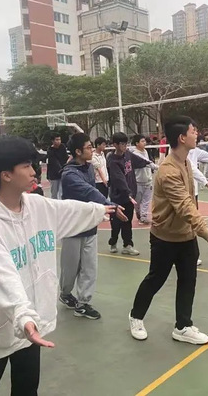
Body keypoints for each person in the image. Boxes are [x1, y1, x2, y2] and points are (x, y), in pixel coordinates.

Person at [0, 136, 114, 396]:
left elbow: (66, 210)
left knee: (27, 389)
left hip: (30, 323)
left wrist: (100, 210)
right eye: (27, 166)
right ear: (6, 175)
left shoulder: (36, 205)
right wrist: (23, 315)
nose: (34, 171)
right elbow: (3, 276)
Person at [129, 116, 208, 345]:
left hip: (186, 236)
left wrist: (207, 185)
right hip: (165, 238)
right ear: (182, 138)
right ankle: (136, 316)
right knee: (156, 279)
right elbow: (184, 205)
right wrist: (206, 232)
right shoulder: (168, 170)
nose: (197, 134)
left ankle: (182, 326)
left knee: (188, 280)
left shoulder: (186, 163)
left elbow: (189, 199)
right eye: (193, 131)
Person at [59, 133, 127, 320]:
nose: (92, 150)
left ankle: (83, 303)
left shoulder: (89, 167)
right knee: (70, 268)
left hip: (90, 225)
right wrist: (110, 206)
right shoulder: (69, 174)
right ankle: (65, 293)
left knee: (89, 267)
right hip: (72, 227)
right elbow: (89, 191)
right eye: (88, 147)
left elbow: (93, 192)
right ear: (78, 151)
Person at [106, 132, 152, 256]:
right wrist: (127, 193)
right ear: (115, 145)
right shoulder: (113, 160)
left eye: (125, 143)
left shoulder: (127, 154)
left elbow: (139, 160)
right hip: (118, 197)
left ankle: (127, 245)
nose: (124, 146)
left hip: (130, 196)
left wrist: (150, 164)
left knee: (127, 221)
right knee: (116, 223)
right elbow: (119, 179)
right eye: (121, 144)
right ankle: (113, 242)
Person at [130, 134, 158, 224]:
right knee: (137, 201)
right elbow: (147, 163)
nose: (144, 143)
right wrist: (158, 167)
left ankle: (143, 217)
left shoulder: (145, 151)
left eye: (144, 141)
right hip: (138, 181)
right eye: (142, 141)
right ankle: (138, 212)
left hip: (148, 180)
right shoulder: (134, 154)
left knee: (146, 200)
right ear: (136, 143)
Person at [47, 134, 68, 199]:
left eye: (59, 139)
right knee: (54, 193)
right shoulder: (50, 150)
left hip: (63, 172)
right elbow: (55, 163)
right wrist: (62, 170)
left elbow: (66, 158)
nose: (59, 141)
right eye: (57, 140)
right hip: (54, 174)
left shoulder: (62, 147)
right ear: (52, 141)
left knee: (62, 192)